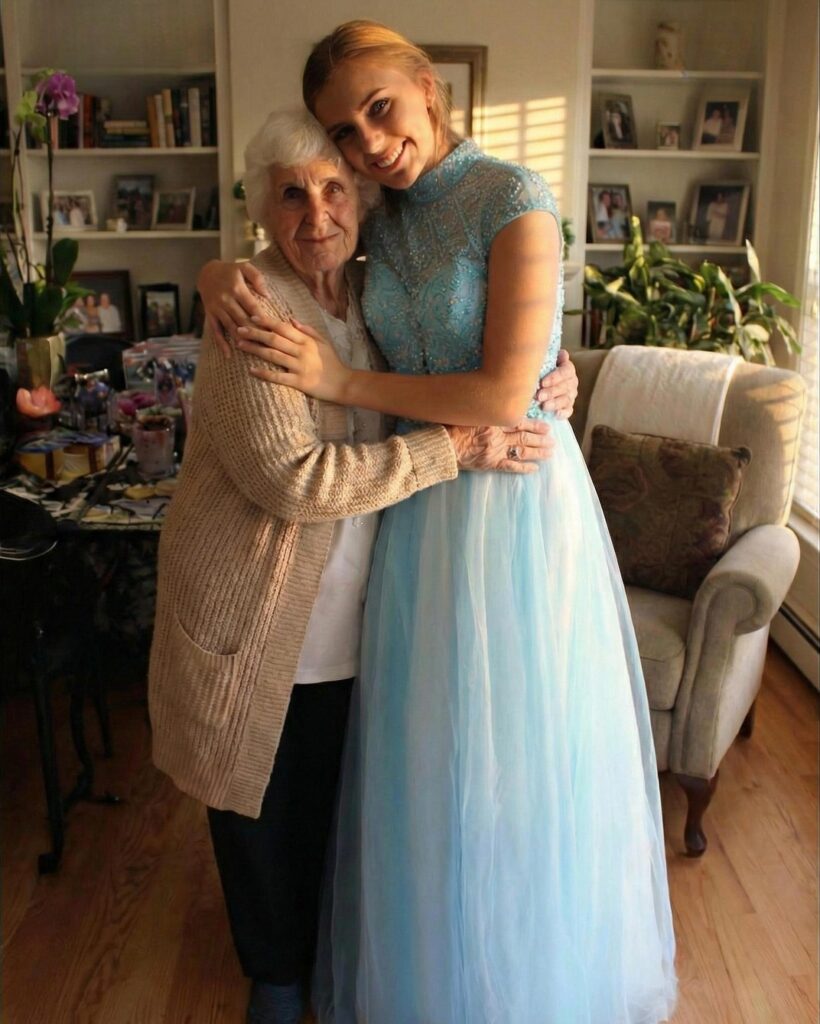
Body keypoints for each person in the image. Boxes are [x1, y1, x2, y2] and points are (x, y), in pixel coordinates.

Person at [207, 20, 678, 1023]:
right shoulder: (380, 216)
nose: (369, 143)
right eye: (346, 130)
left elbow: (506, 390)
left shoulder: (514, 197)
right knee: (422, 761)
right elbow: (294, 250)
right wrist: (218, 275)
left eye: (380, 108)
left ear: (427, 87)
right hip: (413, 509)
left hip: (512, 505)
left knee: (512, 759)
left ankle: (524, 984)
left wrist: (340, 379)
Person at [149, 109, 572, 1024]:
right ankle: (277, 982)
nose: (316, 215)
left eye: (334, 189)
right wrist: (453, 449)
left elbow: (447, 343)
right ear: (260, 208)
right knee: (264, 831)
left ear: (364, 201)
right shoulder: (254, 311)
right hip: (263, 618)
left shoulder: (369, 295)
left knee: (332, 817)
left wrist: (550, 367)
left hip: (361, 613)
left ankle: (319, 964)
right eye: (290, 195)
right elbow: (294, 480)